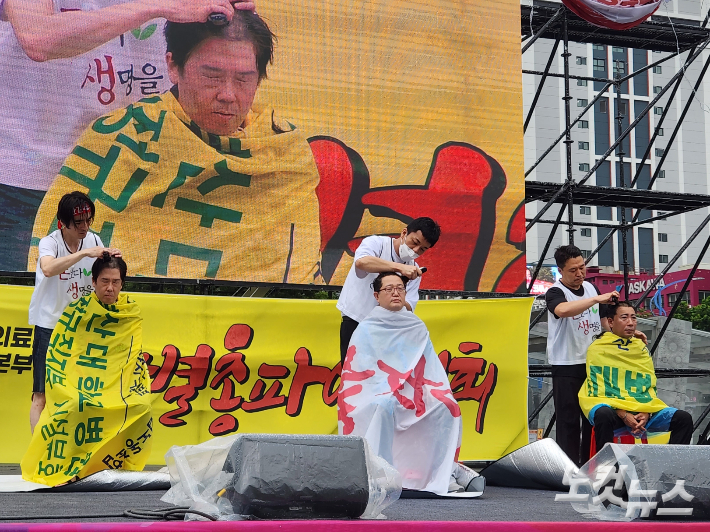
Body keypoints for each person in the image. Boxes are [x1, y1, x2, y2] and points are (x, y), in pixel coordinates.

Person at [29, 7, 322, 284]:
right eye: (212, 76)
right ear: (172, 66)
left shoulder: (284, 152)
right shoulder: (125, 137)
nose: (228, 95)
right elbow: (56, 259)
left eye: (244, 80)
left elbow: (296, 278)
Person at [0, 0, 254, 271]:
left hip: (140, 180)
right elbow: (38, 36)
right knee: (35, 304)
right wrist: (160, 6)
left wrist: (233, 19)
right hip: (30, 182)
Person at [338, 272, 484, 495]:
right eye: (389, 289)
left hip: (412, 390)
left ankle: (441, 474)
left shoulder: (415, 325)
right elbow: (360, 374)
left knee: (447, 406)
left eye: (400, 288)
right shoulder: (366, 328)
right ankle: (382, 476)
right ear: (376, 296)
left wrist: (427, 392)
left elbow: (429, 368)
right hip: (373, 393)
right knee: (384, 405)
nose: (395, 293)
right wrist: (390, 390)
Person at [22, 254, 152, 487]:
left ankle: (114, 465)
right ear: (93, 282)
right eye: (104, 281)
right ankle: (66, 466)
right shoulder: (77, 311)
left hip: (117, 385)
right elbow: (63, 355)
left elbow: (133, 357)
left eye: (115, 282)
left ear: (122, 283)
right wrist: (71, 386)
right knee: (77, 404)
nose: (110, 288)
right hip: (79, 384)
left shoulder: (131, 312)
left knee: (142, 407)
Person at [545, 244, 647, 466]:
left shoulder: (590, 288)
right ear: (561, 270)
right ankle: (568, 470)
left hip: (593, 364)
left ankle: (591, 466)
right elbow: (562, 310)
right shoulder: (556, 292)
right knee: (568, 421)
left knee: (593, 418)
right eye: (573, 270)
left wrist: (629, 333)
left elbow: (604, 324)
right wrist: (596, 300)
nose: (580, 273)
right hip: (566, 365)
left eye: (582, 267)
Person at [28, 191, 121, 433]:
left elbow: (105, 276)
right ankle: (40, 454)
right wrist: (83, 254)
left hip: (82, 326)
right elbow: (48, 268)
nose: (85, 227)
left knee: (82, 393)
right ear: (63, 223)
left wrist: (114, 263)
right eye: (78, 222)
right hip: (50, 327)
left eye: (88, 220)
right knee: (42, 394)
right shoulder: (50, 242)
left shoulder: (94, 240)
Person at [579, 301, 693, 451]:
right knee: (603, 414)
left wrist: (646, 412)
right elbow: (599, 388)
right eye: (624, 318)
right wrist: (623, 414)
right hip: (613, 411)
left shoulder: (640, 347)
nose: (631, 323)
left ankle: (671, 470)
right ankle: (608, 467)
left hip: (642, 410)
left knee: (683, 419)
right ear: (611, 322)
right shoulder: (598, 348)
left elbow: (648, 384)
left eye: (633, 318)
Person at [336, 217, 441, 365]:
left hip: (387, 329)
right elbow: (361, 262)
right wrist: (399, 268)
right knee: (353, 376)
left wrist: (397, 294)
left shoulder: (414, 271)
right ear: (404, 232)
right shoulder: (377, 243)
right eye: (415, 242)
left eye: (422, 249)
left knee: (383, 379)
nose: (415, 250)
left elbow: (409, 306)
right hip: (356, 319)